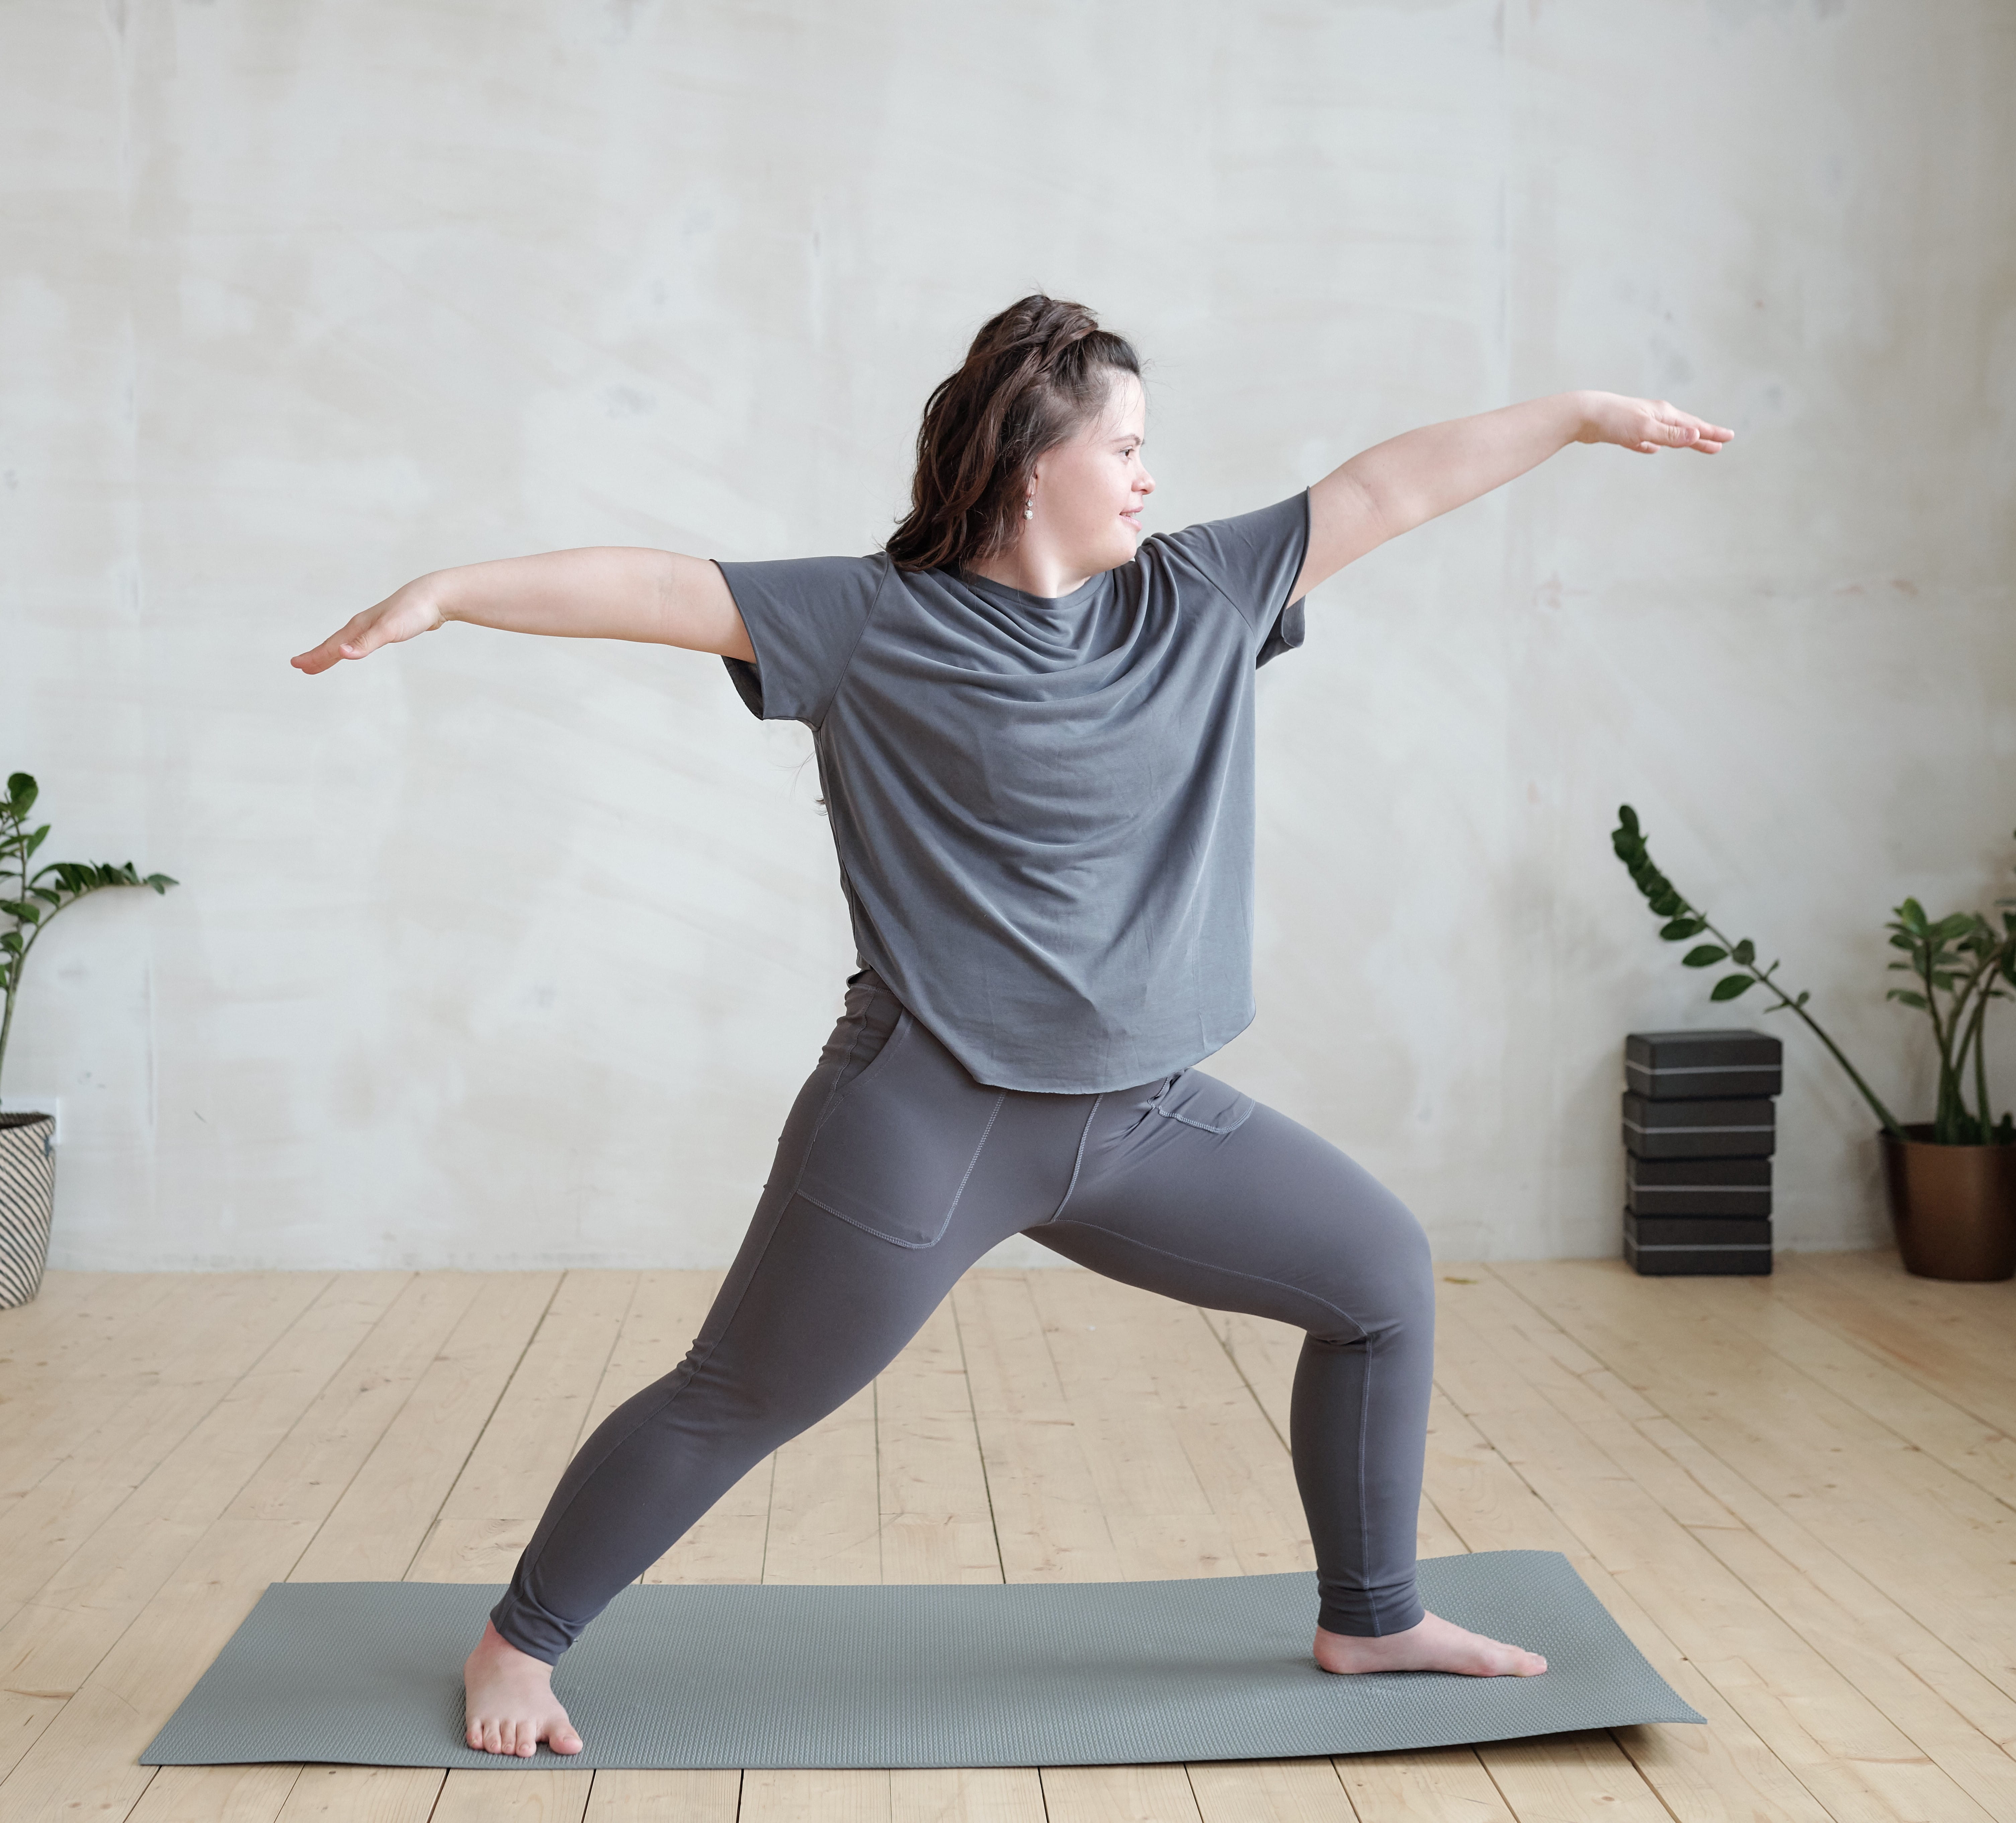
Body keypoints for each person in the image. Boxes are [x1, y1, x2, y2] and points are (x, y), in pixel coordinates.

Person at [293, 295, 1732, 1758]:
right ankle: (518, 1644)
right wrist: (449, 590)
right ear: (1036, 462)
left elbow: (1385, 487)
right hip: (930, 1119)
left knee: (1379, 1280)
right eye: (1127, 446)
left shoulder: (1201, 595)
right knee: (739, 1395)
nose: (1151, 476)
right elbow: (657, 587)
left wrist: (1576, 417)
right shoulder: (872, 620)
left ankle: (1370, 1616)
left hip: (1146, 1117)